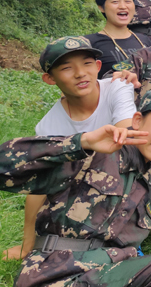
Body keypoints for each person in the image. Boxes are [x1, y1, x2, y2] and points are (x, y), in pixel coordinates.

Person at [0, 89, 151, 287]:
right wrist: (82, 143)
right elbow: (4, 166)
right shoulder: (97, 152)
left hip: (104, 274)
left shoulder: (149, 182)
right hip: (55, 273)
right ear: (137, 121)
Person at [2, 36, 137, 262]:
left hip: (126, 173)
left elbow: (127, 134)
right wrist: (27, 243)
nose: (80, 73)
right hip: (83, 187)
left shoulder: (117, 87)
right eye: (66, 68)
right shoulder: (49, 126)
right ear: (49, 79)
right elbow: (41, 185)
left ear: (98, 66)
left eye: (87, 63)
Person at [86, 0, 151, 78]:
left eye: (128, 1)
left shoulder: (144, 40)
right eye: (115, 1)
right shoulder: (89, 43)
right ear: (101, 7)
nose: (123, 6)